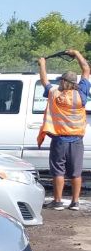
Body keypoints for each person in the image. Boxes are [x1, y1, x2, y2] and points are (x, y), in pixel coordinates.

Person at [38, 49, 91, 210]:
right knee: (76, 172)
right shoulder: (81, 94)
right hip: (76, 140)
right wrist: (76, 54)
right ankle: (75, 202)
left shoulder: (54, 93)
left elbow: (44, 81)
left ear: (62, 81)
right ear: (75, 82)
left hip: (59, 140)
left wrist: (42, 64)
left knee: (58, 172)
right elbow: (87, 69)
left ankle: (58, 201)